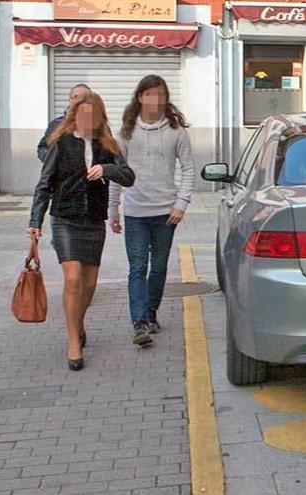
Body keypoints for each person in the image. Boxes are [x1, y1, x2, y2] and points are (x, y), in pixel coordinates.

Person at [28, 92, 135, 371]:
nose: (88, 121)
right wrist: (35, 222)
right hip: (65, 217)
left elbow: (129, 177)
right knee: (73, 279)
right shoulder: (61, 143)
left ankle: (78, 321)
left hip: (93, 220)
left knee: (88, 285)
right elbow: (44, 184)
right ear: (74, 116)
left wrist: (107, 168)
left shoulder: (106, 145)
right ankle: (73, 340)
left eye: (94, 116)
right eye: (83, 115)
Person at [108, 75, 195, 346]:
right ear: (139, 97)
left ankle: (151, 311)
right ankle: (139, 322)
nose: (154, 100)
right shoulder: (125, 133)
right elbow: (116, 173)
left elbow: (189, 169)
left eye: (160, 95)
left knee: (158, 268)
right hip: (135, 212)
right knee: (137, 268)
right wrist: (113, 210)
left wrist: (181, 203)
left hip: (165, 213)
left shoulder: (176, 131)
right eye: (149, 94)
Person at [37, 84, 91, 162]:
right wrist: (51, 160)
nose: (78, 101)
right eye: (75, 97)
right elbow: (43, 147)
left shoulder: (99, 125)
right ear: (69, 100)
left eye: (84, 98)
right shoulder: (56, 124)